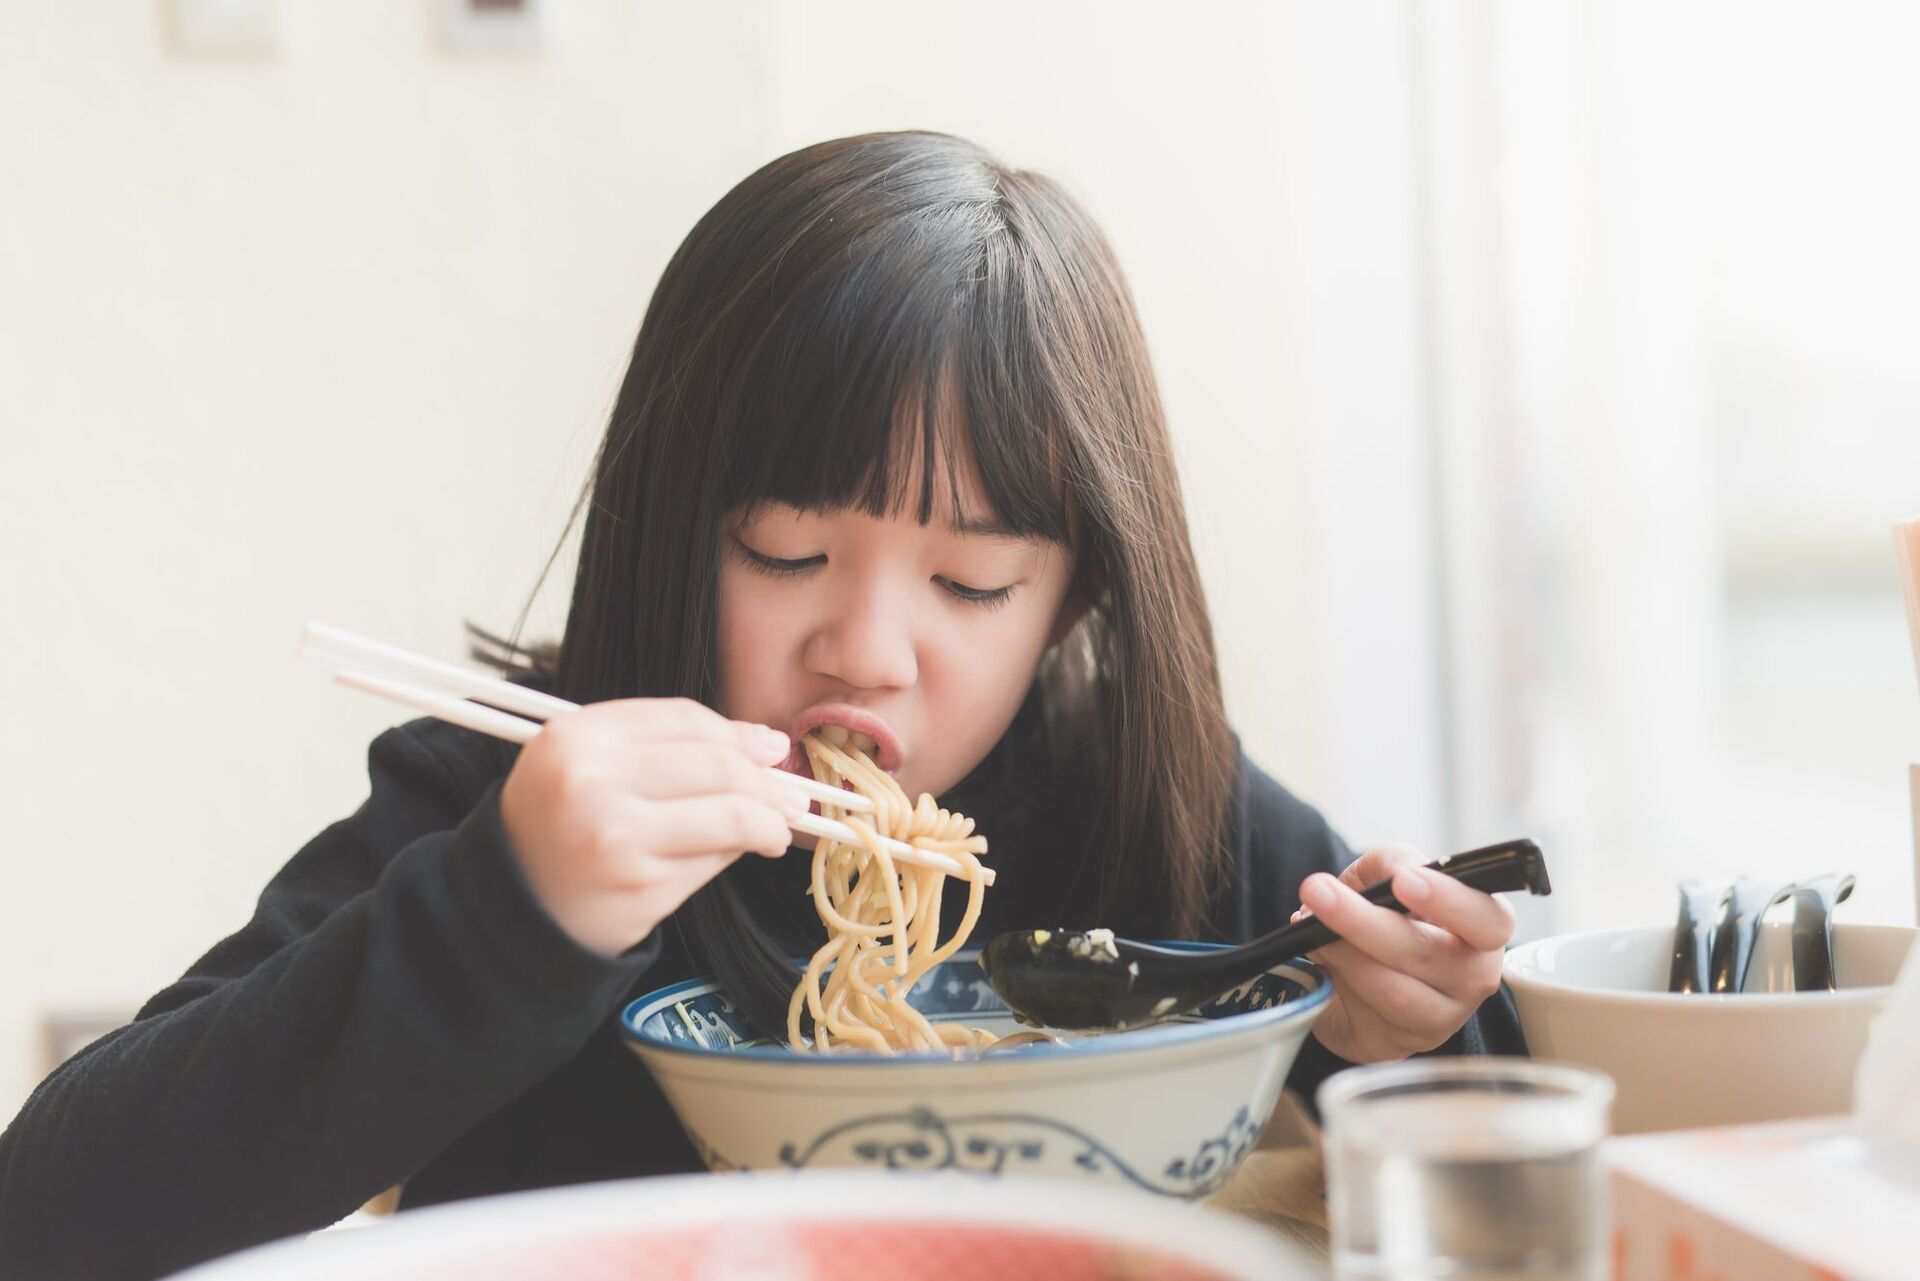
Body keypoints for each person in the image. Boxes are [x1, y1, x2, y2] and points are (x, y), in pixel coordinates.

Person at [0, 131, 1523, 1280]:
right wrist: (508, 910)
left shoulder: (1151, 808)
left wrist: (1411, 1038)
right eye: (788, 551)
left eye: (974, 584)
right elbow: (55, 1212)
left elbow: (1513, 1165)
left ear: (1078, 599)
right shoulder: (514, 794)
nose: (867, 647)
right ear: (676, 521)